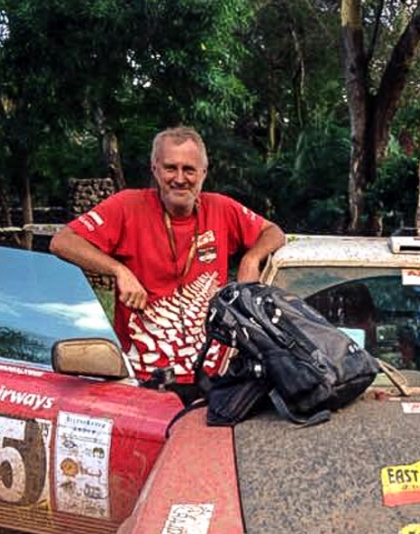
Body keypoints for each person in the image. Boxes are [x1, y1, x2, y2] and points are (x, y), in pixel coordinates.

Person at [50, 126, 286, 386]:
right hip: (143, 377)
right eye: (170, 168)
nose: (180, 179)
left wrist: (251, 259)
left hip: (213, 378)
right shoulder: (127, 206)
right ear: (155, 169)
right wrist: (119, 271)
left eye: (189, 170)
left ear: (203, 173)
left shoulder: (221, 208)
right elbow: (63, 241)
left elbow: (273, 232)